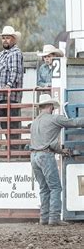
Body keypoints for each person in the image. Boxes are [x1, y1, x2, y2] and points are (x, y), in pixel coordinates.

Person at [30, 93, 84, 226]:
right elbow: (74, 122)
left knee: (44, 188)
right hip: (45, 156)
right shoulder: (54, 119)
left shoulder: (34, 122)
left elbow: (46, 142)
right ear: (50, 106)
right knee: (55, 187)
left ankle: (44, 218)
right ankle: (54, 218)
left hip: (34, 156)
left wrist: (60, 151)